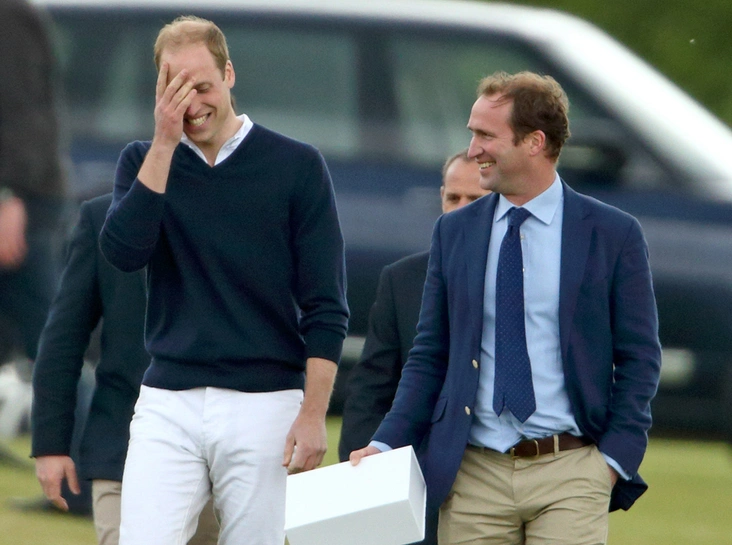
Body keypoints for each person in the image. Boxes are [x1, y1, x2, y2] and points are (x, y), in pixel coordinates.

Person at [350, 71, 661, 545]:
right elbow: (429, 355)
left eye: (485, 135)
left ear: (535, 142)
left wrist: (613, 461)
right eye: (472, 133)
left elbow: (640, 357)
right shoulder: (454, 232)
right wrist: (384, 441)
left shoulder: (613, 234)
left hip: (573, 471)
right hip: (473, 476)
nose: (472, 149)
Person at [99, 15, 348, 545]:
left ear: (229, 74)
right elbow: (123, 253)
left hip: (266, 402)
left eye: (202, 86)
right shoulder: (144, 160)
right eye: (175, 91)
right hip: (168, 399)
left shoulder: (297, 166)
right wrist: (164, 144)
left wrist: (312, 415)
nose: (191, 105)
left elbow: (326, 305)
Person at [30, 193, 220, 545]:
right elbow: (64, 338)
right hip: (123, 446)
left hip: (222, 453)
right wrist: (51, 444)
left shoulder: (242, 207)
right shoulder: (101, 216)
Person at [338, 150, 489, 462]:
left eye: (475, 199)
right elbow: (372, 388)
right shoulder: (402, 280)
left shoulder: (528, 276)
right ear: (441, 197)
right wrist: (361, 465)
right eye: (453, 198)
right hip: (425, 460)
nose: (460, 210)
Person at [0, 0, 67, 369]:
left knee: (51, 353)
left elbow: (23, 113)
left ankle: (86, 411)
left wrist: (9, 195)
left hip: (19, 205)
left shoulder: (7, 16)